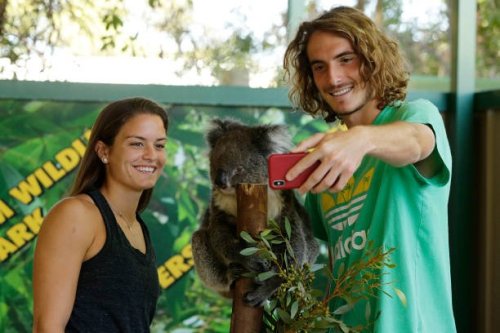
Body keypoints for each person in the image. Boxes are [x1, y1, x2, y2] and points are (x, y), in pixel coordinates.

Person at [283, 6, 456, 333]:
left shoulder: (416, 116)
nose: (333, 79)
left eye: (346, 59)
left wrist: (360, 140)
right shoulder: (331, 159)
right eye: (319, 67)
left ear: (372, 59)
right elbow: (335, 267)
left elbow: (417, 142)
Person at [32, 97, 168, 332]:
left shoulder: (137, 226)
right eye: (137, 144)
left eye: (159, 145)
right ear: (104, 151)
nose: (151, 155)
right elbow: (47, 327)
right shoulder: (77, 215)